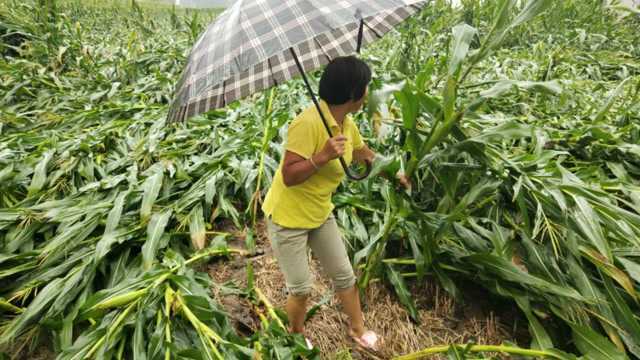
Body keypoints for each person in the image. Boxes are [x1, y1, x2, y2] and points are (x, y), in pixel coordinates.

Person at [262, 56, 410, 351]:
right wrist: (321, 157)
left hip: (318, 212)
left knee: (344, 274)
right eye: (366, 86)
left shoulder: (344, 121)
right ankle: (295, 333)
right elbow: (289, 175)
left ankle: (358, 329)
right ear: (354, 93)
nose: (369, 91)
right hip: (288, 218)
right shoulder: (307, 123)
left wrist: (395, 173)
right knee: (301, 287)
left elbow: (362, 152)